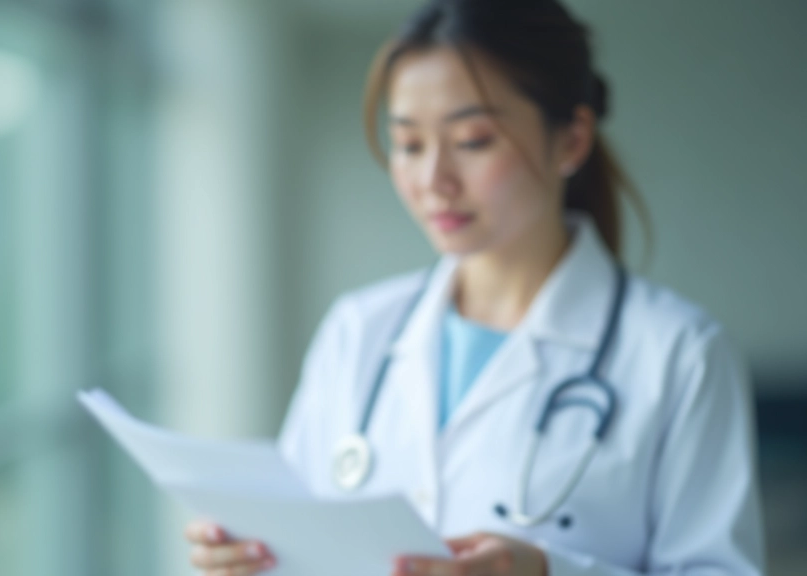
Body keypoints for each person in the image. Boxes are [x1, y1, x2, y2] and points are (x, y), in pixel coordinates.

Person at [184, 1, 765, 575]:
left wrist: (546, 573)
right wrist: (247, 560)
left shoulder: (679, 353)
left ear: (572, 140)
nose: (434, 180)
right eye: (409, 145)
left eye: (472, 140)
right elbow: (301, 544)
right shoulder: (358, 331)